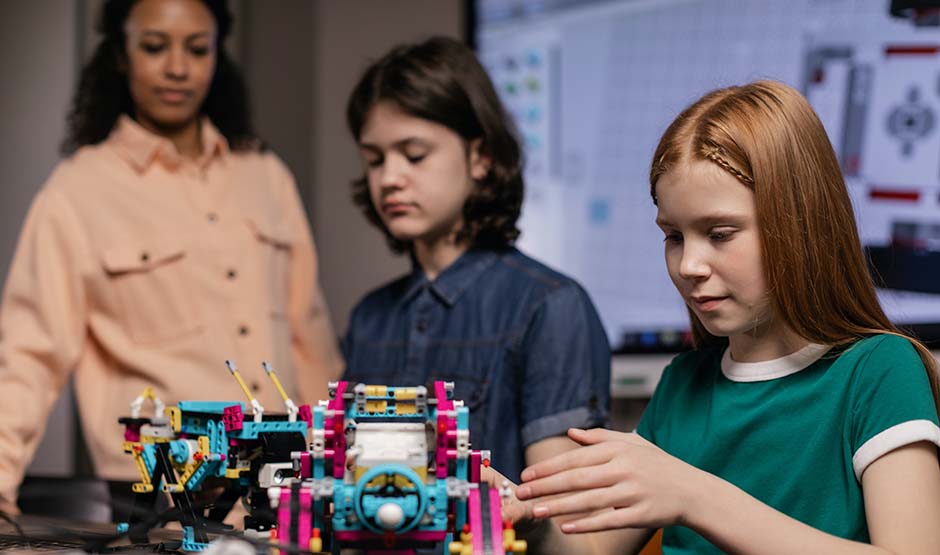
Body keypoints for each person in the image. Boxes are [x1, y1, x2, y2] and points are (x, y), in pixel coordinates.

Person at [509, 80, 940, 554]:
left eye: (719, 234)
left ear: (800, 225)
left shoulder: (878, 371)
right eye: (673, 236)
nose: (688, 266)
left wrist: (696, 497)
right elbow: (591, 552)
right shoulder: (683, 385)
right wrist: (525, 518)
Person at [0, 0, 342, 516]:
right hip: (158, 500)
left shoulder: (265, 176)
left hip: (283, 489)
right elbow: (28, 357)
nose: (178, 68)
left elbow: (311, 338)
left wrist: (336, 470)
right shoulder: (77, 192)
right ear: (121, 53)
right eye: (155, 47)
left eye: (198, 48)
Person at [341, 36, 611, 483]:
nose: (389, 178)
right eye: (374, 160)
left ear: (481, 157)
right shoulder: (369, 318)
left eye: (414, 155)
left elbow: (561, 518)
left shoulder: (551, 307)